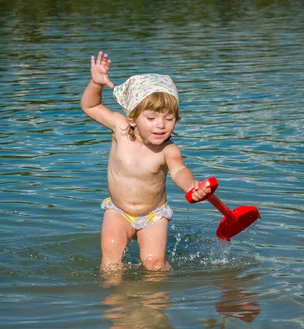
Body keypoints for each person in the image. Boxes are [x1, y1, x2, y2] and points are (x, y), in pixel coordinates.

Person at [81, 51, 211, 272]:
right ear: (132, 116)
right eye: (151, 118)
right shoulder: (120, 128)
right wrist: (96, 83)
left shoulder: (167, 150)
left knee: (155, 266)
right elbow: (90, 106)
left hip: (153, 216)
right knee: (110, 266)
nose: (161, 125)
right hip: (118, 211)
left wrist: (191, 185)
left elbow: (179, 170)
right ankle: (114, 304)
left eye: (169, 119)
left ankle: (154, 303)